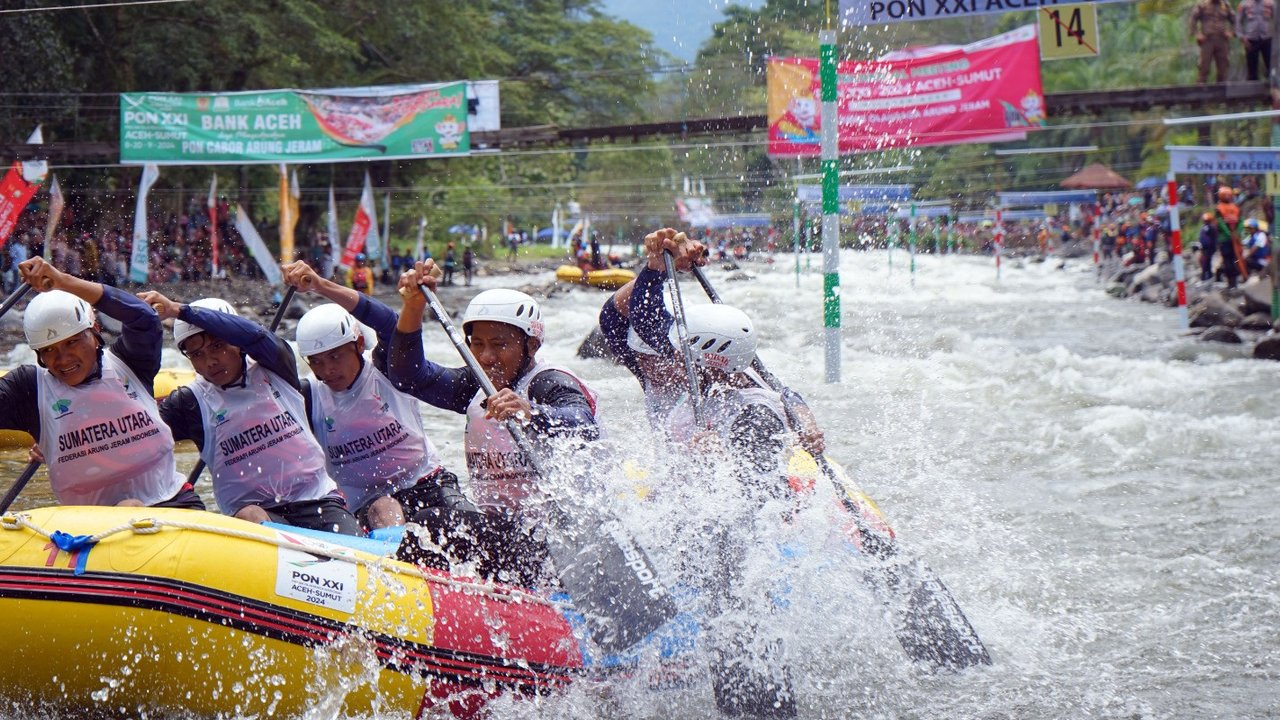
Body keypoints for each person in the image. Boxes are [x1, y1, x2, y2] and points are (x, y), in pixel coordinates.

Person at [388, 267, 600, 587]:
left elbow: (583, 424)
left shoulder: (549, 382)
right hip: (507, 535)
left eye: (500, 345)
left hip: (559, 544)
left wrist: (531, 412)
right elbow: (408, 377)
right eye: (478, 344)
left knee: (430, 524)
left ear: (531, 345)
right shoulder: (476, 385)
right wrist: (414, 306)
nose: (486, 357)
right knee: (432, 513)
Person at [142, 292, 361, 535]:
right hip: (253, 516)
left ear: (237, 342)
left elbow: (255, 335)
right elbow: (142, 445)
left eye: (217, 346)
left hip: (318, 501)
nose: (210, 362)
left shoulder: (276, 365)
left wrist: (180, 310)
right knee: (251, 513)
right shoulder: (188, 403)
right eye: (197, 354)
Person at [280, 260, 473, 531]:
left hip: (427, 481)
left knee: (469, 520)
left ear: (359, 344)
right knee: (385, 507)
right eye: (317, 362)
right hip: (367, 504)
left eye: (335, 356)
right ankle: (393, 553)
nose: (327, 370)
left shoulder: (387, 366)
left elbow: (389, 323)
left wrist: (320, 285)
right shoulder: (306, 395)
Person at [0, 258, 201, 509]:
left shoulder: (131, 361)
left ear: (94, 330)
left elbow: (144, 317)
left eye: (72, 342)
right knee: (129, 506)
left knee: (130, 505)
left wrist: (62, 281)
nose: (63, 359)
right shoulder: (29, 389)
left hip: (172, 502)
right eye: (49, 349)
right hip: (94, 525)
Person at [623, 228, 825, 456]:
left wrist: (715, 461)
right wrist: (656, 267)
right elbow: (643, 319)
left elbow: (757, 476)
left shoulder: (756, 411)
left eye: (679, 354)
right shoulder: (698, 362)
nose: (671, 358)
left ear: (714, 364)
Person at [1190, 0, 1237, 84]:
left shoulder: (1225, 6)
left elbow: (1235, 20)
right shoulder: (1202, 5)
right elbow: (1193, 19)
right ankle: (1200, 89)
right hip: (1207, 40)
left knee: (1223, 69)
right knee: (1204, 67)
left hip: (1222, 40)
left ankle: (1221, 90)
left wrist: (1231, 32)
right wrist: (1197, 34)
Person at [1213, 185, 1244, 287]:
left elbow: (1221, 224)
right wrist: (1235, 233)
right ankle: (1232, 282)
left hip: (1227, 239)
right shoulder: (1233, 207)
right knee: (1231, 260)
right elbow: (1222, 223)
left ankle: (1232, 283)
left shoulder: (1222, 208)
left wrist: (1233, 233)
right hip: (1231, 238)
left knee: (1229, 260)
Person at [1236, 0, 1273, 80]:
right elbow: (1238, 21)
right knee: (1252, 71)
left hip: (1267, 38)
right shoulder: (1244, 3)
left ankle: (1272, 84)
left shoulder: (1270, 2)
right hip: (1250, 40)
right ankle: (1252, 85)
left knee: (1271, 67)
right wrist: (1242, 37)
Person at [1198, 212, 1219, 281]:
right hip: (1204, 247)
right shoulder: (1205, 227)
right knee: (1206, 261)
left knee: (1205, 261)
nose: (1205, 221)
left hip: (1209, 248)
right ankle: (1208, 275)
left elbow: (1214, 238)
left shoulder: (1211, 227)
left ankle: (1204, 276)